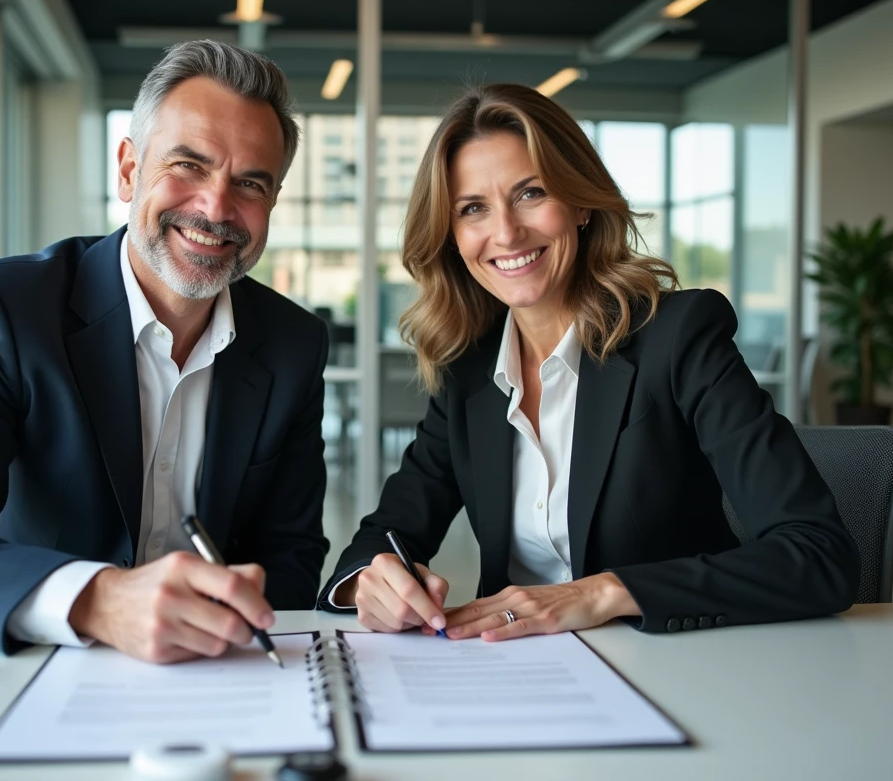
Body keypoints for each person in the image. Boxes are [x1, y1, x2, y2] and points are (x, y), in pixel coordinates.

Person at [319, 83, 859, 639]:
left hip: (673, 666)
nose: (506, 232)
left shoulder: (677, 338)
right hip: (517, 666)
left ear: (580, 203)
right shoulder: (469, 368)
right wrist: (369, 585)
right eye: (473, 208)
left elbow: (819, 555)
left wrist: (601, 593)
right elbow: (383, 537)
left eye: (531, 194)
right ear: (452, 235)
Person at [0, 40, 330, 663]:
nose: (216, 207)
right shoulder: (6, 309)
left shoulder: (294, 344)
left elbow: (291, 557)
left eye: (249, 183)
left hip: (213, 675)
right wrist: (98, 601)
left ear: (272, 201)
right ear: (129, 170)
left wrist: (228, 625)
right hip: (31, 669)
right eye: (188, 165)